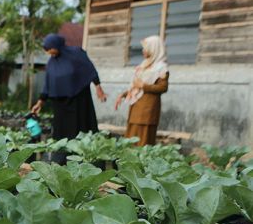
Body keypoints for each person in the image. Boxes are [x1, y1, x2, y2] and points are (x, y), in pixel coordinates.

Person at [31, 34, 108, 163]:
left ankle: (84, 158)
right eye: (46, 50)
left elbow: (89, 69)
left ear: (57, 45)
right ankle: (62, 159)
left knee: (80, 130)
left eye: (50, 48)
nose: (48, 52)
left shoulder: (76, 54)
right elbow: (47, 84)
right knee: (61, 134)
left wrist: (98, 88)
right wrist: (40, 102)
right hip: (60, 106)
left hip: (78, 101)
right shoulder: (51, 62)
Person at [114, 35, 169, 146]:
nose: (143, 51)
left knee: (143, 140)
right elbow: (136, 86)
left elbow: (163, 87)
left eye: (146, 48)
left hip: (148, 109)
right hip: (135, 107)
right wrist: (123, 94)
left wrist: (144, 86)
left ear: (154, 48)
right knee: (132, 137)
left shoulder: (161, 68)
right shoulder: (144, 65)